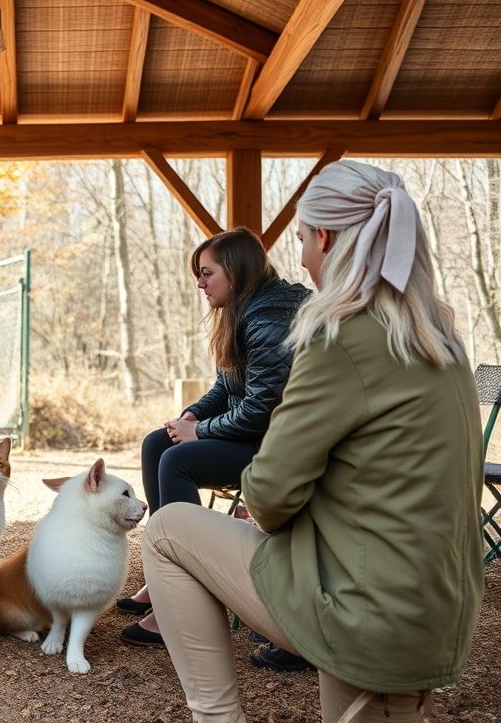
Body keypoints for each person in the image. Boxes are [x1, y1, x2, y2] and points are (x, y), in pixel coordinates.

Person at [141, 160, 484, 722]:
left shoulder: (338, 337)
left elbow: (271, 496)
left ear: (325, 238)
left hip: (361, 610)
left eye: (301, 239)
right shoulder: (441, 338)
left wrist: (259, 485)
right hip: (435, 611)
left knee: (165, 531)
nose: (299, 257)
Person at [120, 228, 308, 648]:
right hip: (257, 435)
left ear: (236, 273)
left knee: (177, 460)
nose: (199, 283)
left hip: (279, 445)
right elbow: (227, 388)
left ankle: (187, 597)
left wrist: (199, 432)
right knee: (157, 443)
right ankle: (167, 576)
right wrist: (194, 414)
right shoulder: (243, 311)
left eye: (207, 273)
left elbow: (262, 410)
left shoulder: (268, 319)